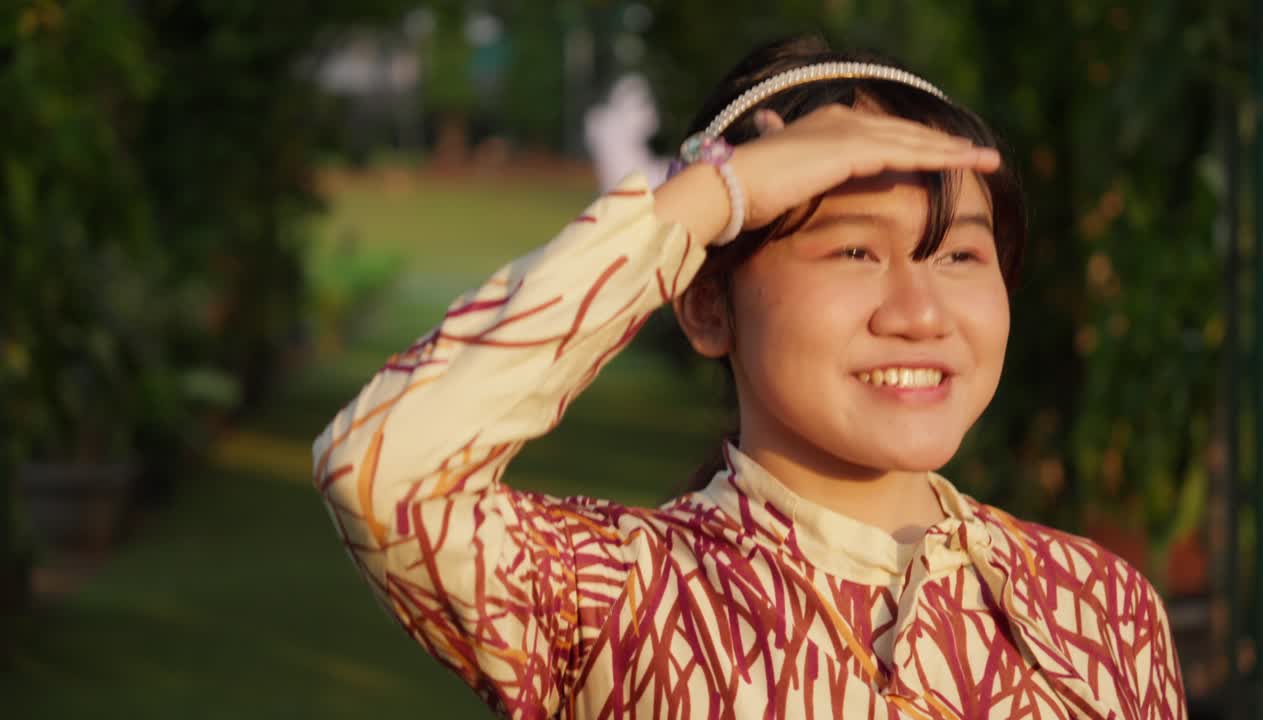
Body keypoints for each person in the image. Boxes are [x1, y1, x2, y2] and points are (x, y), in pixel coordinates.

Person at [311, 36, 1186, 718]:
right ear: (707, 308)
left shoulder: (1099, 608)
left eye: (959, 253)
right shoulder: (621, 599)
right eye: (854, 250)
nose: (920, 312)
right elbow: (384, 472)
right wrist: (705, 201)